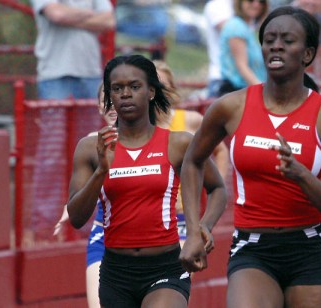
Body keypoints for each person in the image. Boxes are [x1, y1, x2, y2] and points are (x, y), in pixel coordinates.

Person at [179, 6, 321, 308]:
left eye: (287, 40)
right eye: (269, 39)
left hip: (308, 248)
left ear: (308, 54)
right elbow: (192, 161)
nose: (276, 45)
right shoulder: (230, 107)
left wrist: (302, 176)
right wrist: (196, 228)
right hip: (253, 248)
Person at [66, 54, 227, 307]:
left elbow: (217, 188)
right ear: (109, 96)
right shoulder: (90, 148)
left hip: (166, 267)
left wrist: (201, 228)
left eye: (134, 86)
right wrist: (100, 172)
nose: (125, 94)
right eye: (117, 89)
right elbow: (76, 218)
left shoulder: (178, 143)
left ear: (151, 91)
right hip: (115, 272)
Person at [29, 0, 115, 241]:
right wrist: (89, 17)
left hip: (90, 76)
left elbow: (108, 20)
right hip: (55, 75)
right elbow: (55, 14)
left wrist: (70, 15)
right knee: (53, 152)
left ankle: (87, 222)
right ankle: (46, 225)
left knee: (92, 150)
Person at [53, 82, 116, 308]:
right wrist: (67, 210)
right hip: (104, 234)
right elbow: (79, 191)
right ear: (98, 107)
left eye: (115, 98)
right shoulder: (90, 144)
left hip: (148, 240)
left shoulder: (154, 139)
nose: (111, 106)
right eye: (104, 101)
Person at [153, 60, 230, 243]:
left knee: (180, 270)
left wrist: (217, 187)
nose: (157, 90)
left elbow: (221, 151)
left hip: (180, 216)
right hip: (147, 220)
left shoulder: (189, 120)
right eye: (151, 83)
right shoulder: (136, 128)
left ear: (171, 88)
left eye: (162, 84)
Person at [217, 0, 269, 96]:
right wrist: (265, 92)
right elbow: (242, 67)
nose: (256, 4)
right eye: (250, 0)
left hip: (247, 92)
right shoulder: (236, 27)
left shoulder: (247, 28)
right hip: (237, 93)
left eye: (261, 1)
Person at [204, 0, 234, 98]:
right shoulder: (217, 5)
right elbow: (233, 34)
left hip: (240, 78)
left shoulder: (242, 6)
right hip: (222, 77)